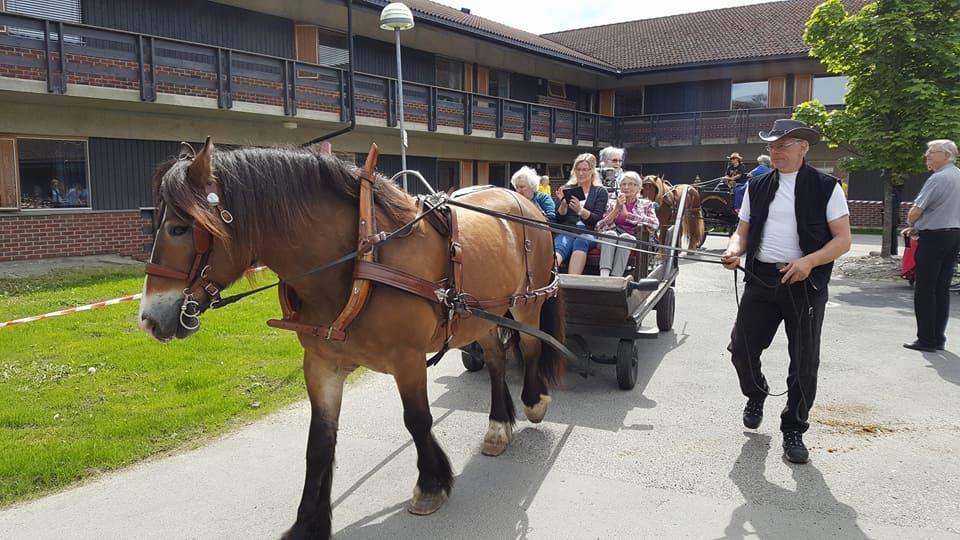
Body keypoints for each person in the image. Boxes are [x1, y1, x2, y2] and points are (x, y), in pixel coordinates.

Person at [720, 119, 851, 465]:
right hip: (761, 279)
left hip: (805, 284)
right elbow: (742, 231)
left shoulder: (826, 187)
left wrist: (809, 262)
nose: (775, 151)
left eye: (783, 145)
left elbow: (843, 240)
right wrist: (734, 250)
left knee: (804, 361)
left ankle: (794, 428)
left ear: (803, 147)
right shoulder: (757, 185)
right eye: (772, 146)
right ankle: (756, 392)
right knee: (741, 350)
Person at [900, 139, 960, 352]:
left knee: (925, 288)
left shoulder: (938, 178)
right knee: (941, 288)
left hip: (933, 238)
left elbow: (916, 210)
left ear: (946, 155)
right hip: (954, 236)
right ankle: (938, 338)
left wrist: (911, 223)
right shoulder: (957, 175)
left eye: (931, 152)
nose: (927, 156)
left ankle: (926, 339)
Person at [595, 171, 659, 277]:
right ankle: (604, 276)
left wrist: (628, 216)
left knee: (625, 237)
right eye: (623, 184)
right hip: (609, 238)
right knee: (610, 234)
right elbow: (598, 228)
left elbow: (655, 224)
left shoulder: (646, 204)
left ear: (639, 188)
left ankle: (616, 277)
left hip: (633, 238)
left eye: (631, 184)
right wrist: (616, 210)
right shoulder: (611, 203)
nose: (626, 187)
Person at [554, 153, 608, 275]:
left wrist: (580, 210)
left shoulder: (600, 191)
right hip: (569, 229)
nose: (581, 173)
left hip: (588, 231)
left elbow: (596, 219)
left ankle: (572, 281)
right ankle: (548, 282)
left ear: (592, 171)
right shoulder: (568, 188)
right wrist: (563, 204)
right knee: (561, 244)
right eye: (578, 169)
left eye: (585, 170)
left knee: (580, 241)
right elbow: (559, 219)